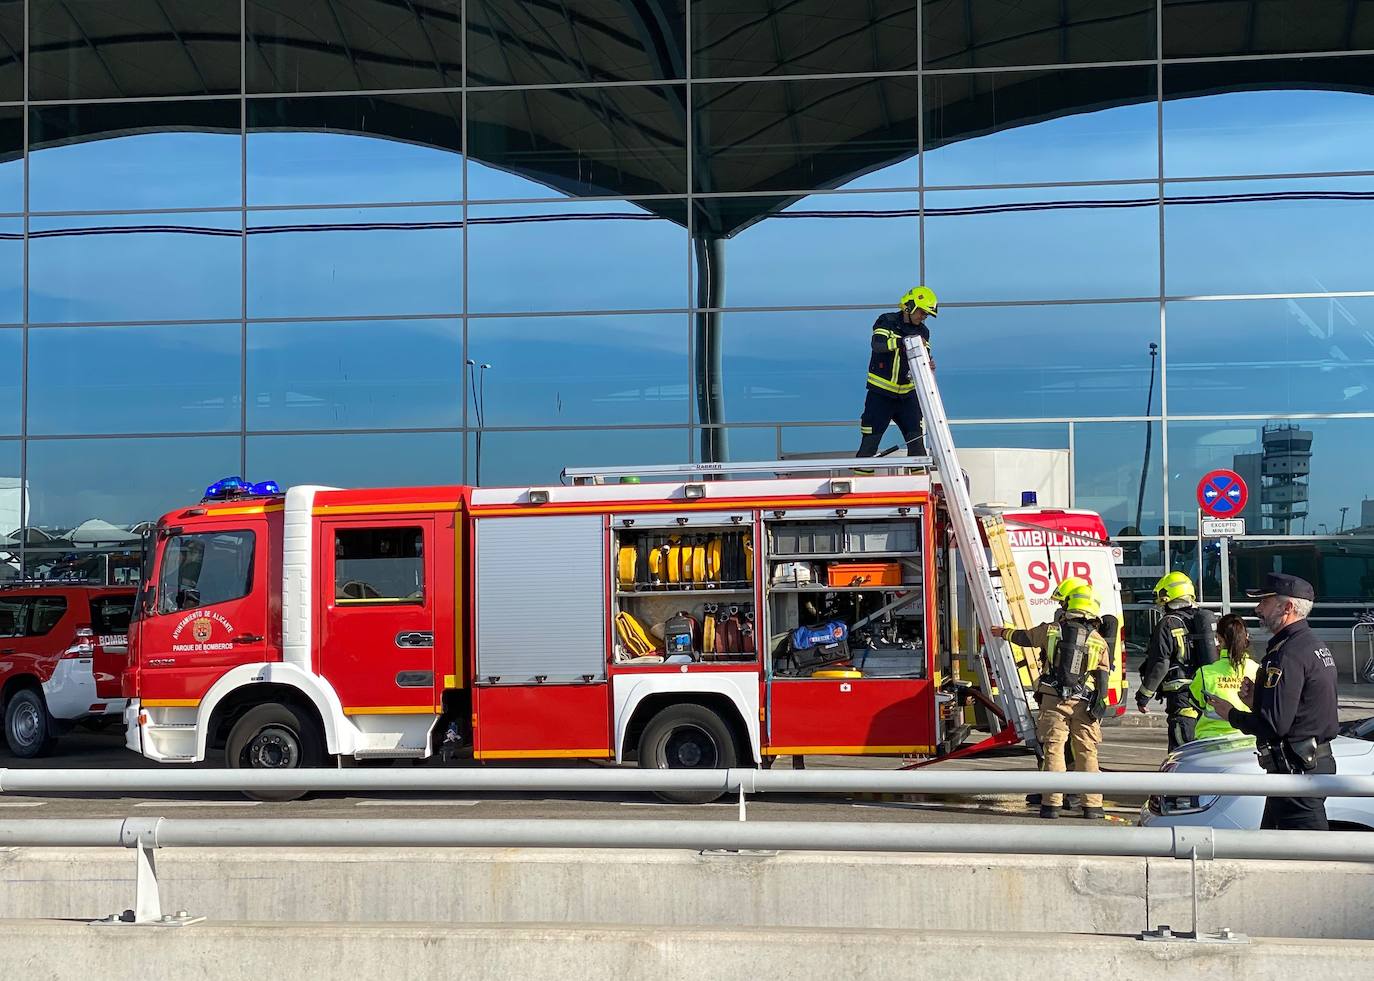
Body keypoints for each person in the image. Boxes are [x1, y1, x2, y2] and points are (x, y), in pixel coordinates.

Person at [1206, 573, 1339, 830]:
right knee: (1274, 856)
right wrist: (1259, 699)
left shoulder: (1287, 653)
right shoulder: (1310, 645)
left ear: (1287, 607)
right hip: (1301, 768)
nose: (1258, 609)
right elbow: (1303, 707)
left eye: (1265, 602)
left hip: (1296, 774)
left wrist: (1231, 713)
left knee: (1310, 860)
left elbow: (1273, 724)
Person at [992, 586, 1111, 820]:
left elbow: (1023, 637)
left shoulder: (1052, 630)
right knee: (1088, 751)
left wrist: (1002, 632)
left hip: (1054, 701)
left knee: (1054, 750)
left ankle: (1051, 805)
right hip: (1085, 703)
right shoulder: (1099, 641)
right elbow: (1103, 675)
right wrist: (1101, 701)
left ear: (1069, 607)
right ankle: (1093, 807)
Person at [854, 286, 937, 472]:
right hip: (880, 396)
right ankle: (859, 496)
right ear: (909, 307)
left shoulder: (924, 332)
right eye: (923, 312)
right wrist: (903, 341)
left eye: (927, 314)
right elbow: (878, 345)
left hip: (908, 397)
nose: (924, 317)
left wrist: (928, 363)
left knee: (917, 449)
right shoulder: (887, 321)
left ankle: (918, 491)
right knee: (868, 447)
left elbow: (925, 354)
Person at [1134, 571, 1218, 751]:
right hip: (1206, 697)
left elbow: (1160, 664)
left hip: (1182, 699)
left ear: (1167, 596)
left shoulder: (1168, 623)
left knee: (1182, 753)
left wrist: (1143, 696)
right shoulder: (1200, 621)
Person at [1186, 613, 1259, 742]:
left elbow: (1196, 702)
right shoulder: (1257, 669)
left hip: (1210, 741)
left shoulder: (1205, 673)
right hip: (1248, 741)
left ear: (1218, 638)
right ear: (1246, 637)